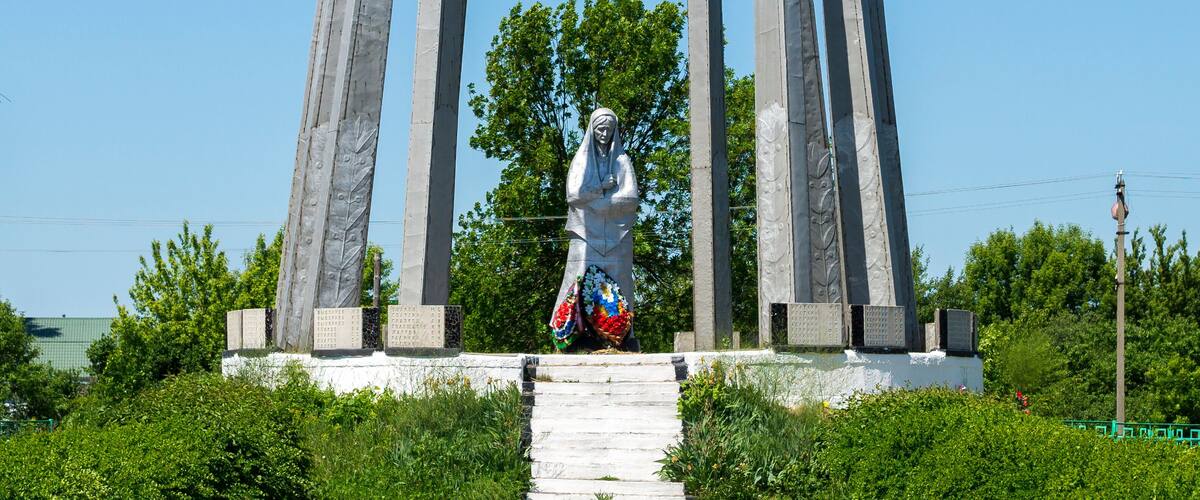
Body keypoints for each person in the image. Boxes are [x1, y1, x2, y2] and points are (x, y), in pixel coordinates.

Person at [550, 107, 639, 352]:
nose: (604, 133)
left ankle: (621, 333)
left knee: (620, 280)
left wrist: (597, 206)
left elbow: (630, 198)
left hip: (617, 234)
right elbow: (574, 194)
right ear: (592, 129)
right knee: (578, 277)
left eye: (609, 130)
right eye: (600, 129)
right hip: (585, 233)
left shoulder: (622, 161)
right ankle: (573, 333)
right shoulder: (582, 159)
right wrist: (601, 188)